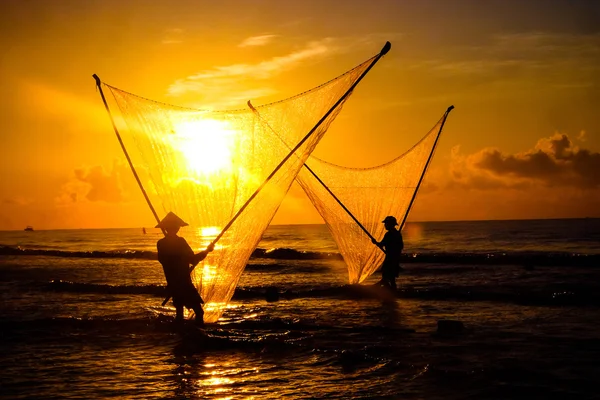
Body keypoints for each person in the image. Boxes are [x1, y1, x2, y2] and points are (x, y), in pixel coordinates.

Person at [156, 212, 214, 325]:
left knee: (179, 313)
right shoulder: (179, 242)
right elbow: (192, 259)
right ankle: (197, 334)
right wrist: (207, 251)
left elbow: (164, 260)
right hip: (184, 283)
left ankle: (180, 334)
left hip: (173, 283)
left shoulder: (161, 243)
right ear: (177, 228)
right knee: (199, 312)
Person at [371, 216, 404, 290]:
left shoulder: (389, 235)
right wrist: (376, 242)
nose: (385, 225)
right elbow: (401, 246)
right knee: (391, 278)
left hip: (391, 258)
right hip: (394, 258)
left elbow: (382, 244)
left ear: (390, 224)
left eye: (386, 223)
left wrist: (375, 242)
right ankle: (391, 291)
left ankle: (388, 292)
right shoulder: (397, 234)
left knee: (387, 276)